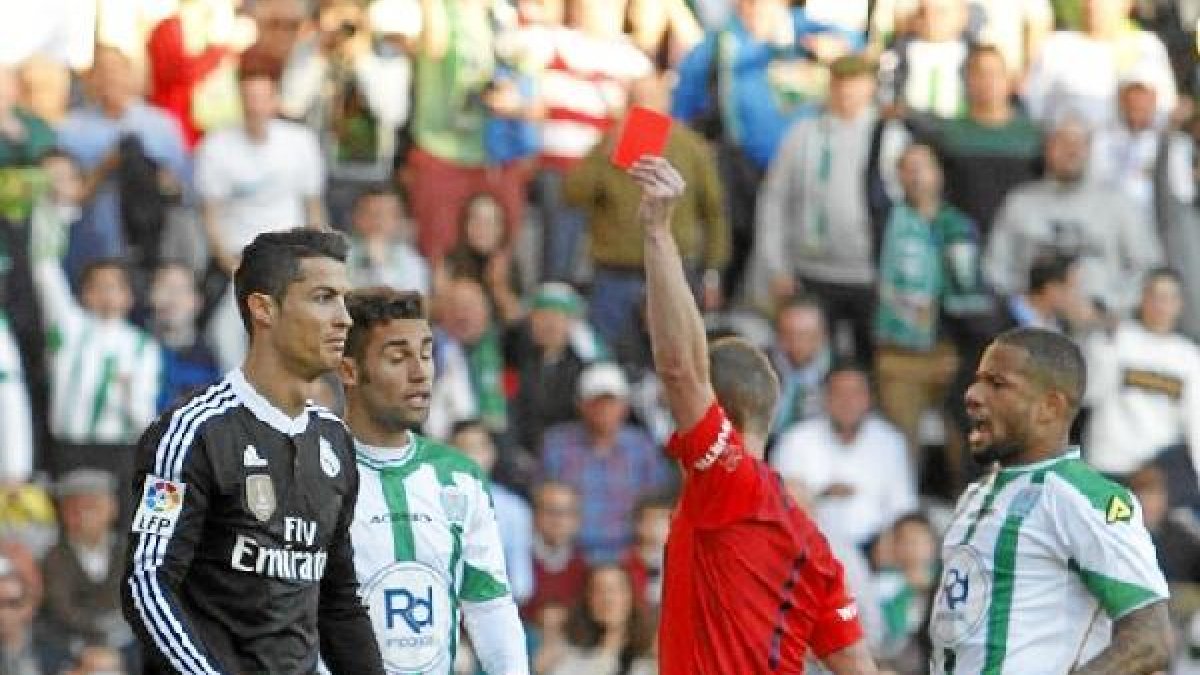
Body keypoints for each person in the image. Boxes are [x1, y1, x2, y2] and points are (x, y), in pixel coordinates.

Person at [631, 154, 875, 673]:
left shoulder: (730, 481)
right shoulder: (812, 543)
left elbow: (680, 369)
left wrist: (658, 233)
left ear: (719, 412)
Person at [121, 229, 384, 674]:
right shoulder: (191, 433)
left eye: (344, 300)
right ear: (263, 309)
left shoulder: (334, 441)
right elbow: (147, 581)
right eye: (323, 298)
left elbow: (337, 600)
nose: (344, 318)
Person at [930, 326, 1171, 672]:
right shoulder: (974, 495)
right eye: (977, 380)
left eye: (996, 384)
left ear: (1049, 407)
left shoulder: (1083, 498)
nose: (973, 395)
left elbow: (1150, 638)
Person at [338, 286, 529, 675]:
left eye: (426, 354)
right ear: (350, 370)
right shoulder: (313, 472)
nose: (419, 372)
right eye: (398, 357)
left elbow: (489, 606)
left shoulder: (459, 477)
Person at [772, 363, 917, 548]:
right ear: (825, 398)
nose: (848, 402)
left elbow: (903, 507)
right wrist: (821, 495)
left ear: (868, 399)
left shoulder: (890, 441)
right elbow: (781, 505)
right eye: (839, 394)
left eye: (856, 394)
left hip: (877, 549)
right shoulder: (795, 440)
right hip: (811, 547)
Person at [540, 362, 672, 563]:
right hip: (571, 555)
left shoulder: (642, 445)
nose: (604, 409)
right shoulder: (556, 444)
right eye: (596, 402)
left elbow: (656, 503)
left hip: (631, 554)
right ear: (580, 405)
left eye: (611, 402)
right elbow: (544, 501)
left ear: (625, 406)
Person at [1083, 267, 1200, 480]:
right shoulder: (1116, 337)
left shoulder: (1189, 355)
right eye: (1154, 296)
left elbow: (1195, 420)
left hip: (1159, 474)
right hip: (1110, 463)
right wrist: (1104, 343)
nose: (1160, 305)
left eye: (1168, 297)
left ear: (1180, 304)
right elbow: (1090, 394)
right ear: (1142, 298)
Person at [546, 564, 657, 675]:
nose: (608, 599)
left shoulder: (651, 655)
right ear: (588, 599)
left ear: (631, 596)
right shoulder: (568, 655)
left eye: (616, 590)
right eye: (599, 590)